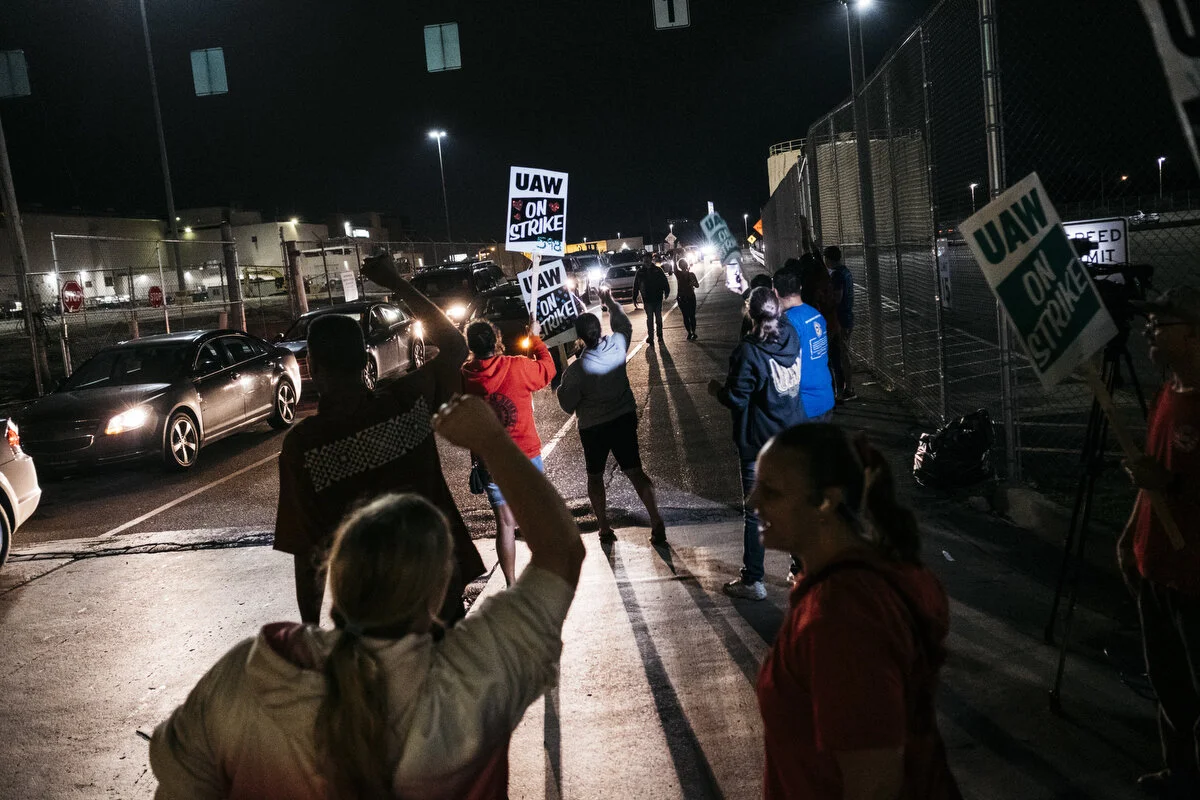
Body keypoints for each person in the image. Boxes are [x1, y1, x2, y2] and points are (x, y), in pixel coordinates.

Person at [151, 394, 587, 800]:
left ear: (337, 577)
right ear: (438, 591)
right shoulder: (479, 677)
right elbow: (561, 551)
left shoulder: (247, 676)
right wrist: (491, 440)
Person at [272, 252, 484, 626]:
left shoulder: (306, 446)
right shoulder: (406, 406)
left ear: (313, 368)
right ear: (362, 359)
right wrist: (398, 284)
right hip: (438, 599)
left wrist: (310, 632)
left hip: (370, 619)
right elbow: (454, 348)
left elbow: (309, 553)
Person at [751, 423, 961, 799]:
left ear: (825, 501)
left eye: (771, 491)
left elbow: (874, 784)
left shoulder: (840, 618)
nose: (753, 501)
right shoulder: (859, 577)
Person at [1119, 287, 1200, 798]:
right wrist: (1132, 536)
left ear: (1194, 332)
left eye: (1160, 323)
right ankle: (1180, 774)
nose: (1148, 330)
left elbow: (1169, 482)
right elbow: (1155, 479)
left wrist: (1169, 485)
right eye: (1147, 322)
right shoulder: (1168, 393)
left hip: (1195, 579)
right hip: (1157, 567)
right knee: (1168, 685)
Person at [708, 286, 807, 601]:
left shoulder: (749, 351)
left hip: (760, 443)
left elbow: (737, 397)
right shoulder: (790, 335)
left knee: (755, 512)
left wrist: (716, 390)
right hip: (791, 434)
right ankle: (802, 570)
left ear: (749, 313)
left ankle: (754, 581)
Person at [557, 287, 667, 546]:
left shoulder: (577, 370)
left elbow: (566, 405)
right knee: (636, 472)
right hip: (623, 418)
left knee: (595, 477)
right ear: (599, 327)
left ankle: (604, 527)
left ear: (579, 337)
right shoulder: (617, 345)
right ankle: (656, 519)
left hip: (593, 428)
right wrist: (610, 302)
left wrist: (563, 381)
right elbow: (624, 325)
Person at [461, 317, 556, 586]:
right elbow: (548, 369)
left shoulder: (466, 376)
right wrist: (535, 337)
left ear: (471, 346)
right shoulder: (518, 366)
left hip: (491, 461)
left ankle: (512, 584)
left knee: (505, 524)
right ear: (496, 340)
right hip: (526, 455)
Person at [775, 261, 836, 423]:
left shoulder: (788, 322)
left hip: (804, 406)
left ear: (775, 292)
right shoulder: (815, 314)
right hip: (825, 397)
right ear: (800, 287)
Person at [825, 245, 856, 401]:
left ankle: (848, 389)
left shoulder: (837, 275)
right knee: (843, 354)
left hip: (841, 319)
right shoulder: (846, 271)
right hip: (847, 316)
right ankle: (846, 388)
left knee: (843, 355)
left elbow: (837, 298)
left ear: (829, 259)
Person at [633, 253, 671, 344]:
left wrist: (667, 291)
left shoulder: (658, 270)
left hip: (657, 298)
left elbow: (664, 281)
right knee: (649, 319)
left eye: (647, 258)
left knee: (658, 318)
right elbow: (636, 285)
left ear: (651, 259)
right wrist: (634, 297)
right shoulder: (640, 272)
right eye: (644, 259)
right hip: (647, 299)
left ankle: (660, 335)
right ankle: (651, 337)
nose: (645, 260)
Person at [676, 259, 701, 340]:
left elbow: (697, 285)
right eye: (681, 264)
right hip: (682, 298)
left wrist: (693, 283)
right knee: (685, 316)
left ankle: (693, 332)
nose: (683, 266)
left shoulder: (691, 274)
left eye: (684, 264)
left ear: (686, 265)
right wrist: (675, 254)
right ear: (680, 266)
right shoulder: (678, 274)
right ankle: (689, 332)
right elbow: (674, 269)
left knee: (692, 315)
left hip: (690, 297)